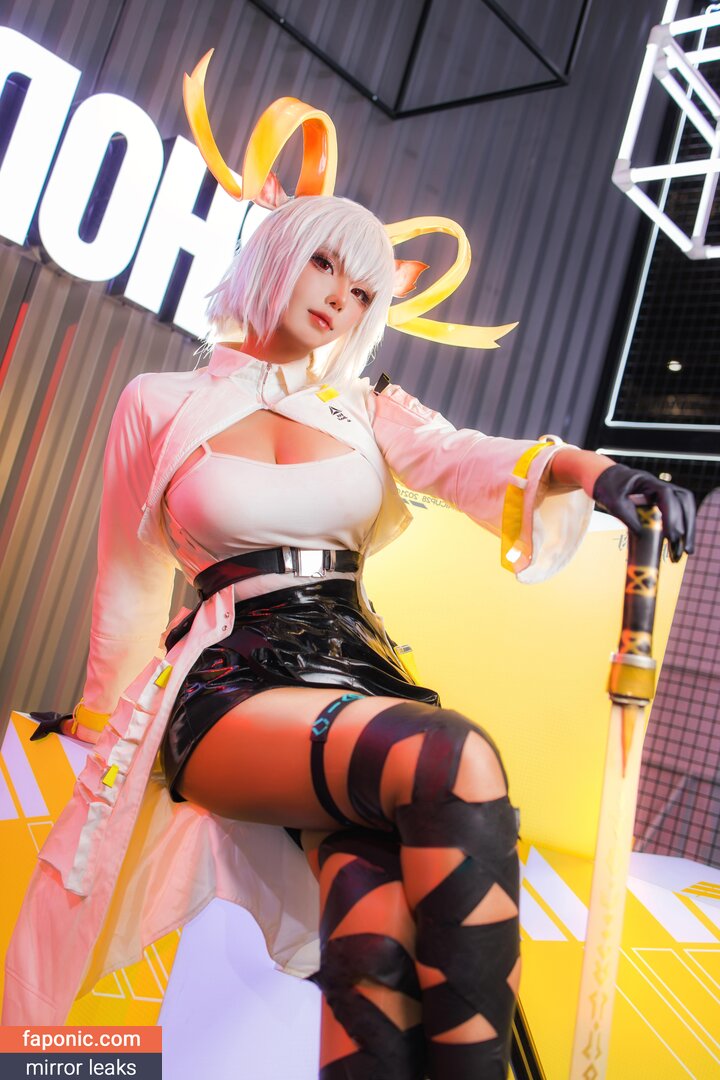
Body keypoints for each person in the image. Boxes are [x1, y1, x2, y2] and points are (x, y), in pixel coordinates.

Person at [4, 153, 695, 1080]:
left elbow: (465, 456)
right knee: (452, 758)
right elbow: (127, 584)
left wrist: (595, 473)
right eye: (326, 263)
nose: (340, 297)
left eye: (364, 290)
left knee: (378, 922)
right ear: (276, 254)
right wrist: (97, 726)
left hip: (358, 677)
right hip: (231, 681)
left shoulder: (365, 409)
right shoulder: (159, 403)